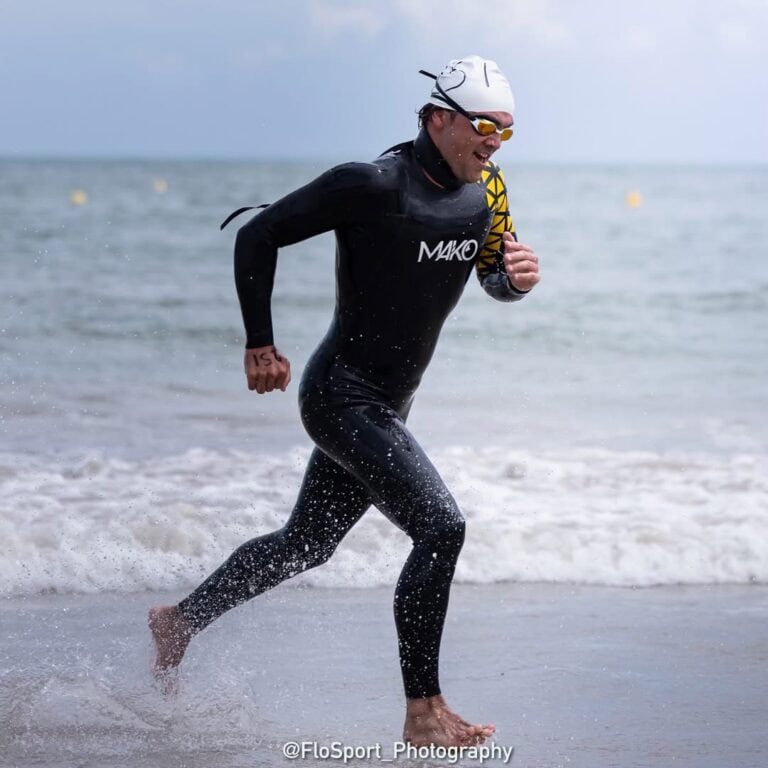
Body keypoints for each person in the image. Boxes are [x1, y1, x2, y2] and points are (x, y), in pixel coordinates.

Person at [149, 55, 540, 747]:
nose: (494, 142)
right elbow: (257, 234)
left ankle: (179, 621)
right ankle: (424, 710)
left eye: (505, 130)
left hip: (392, 405)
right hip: (341, 396)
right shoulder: (369, 184)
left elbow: (494, 281)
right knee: (442, 528)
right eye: (483, 126)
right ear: (438, 118)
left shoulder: (490, 193)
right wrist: (259, 344)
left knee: (307, 544)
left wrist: (515, 280)